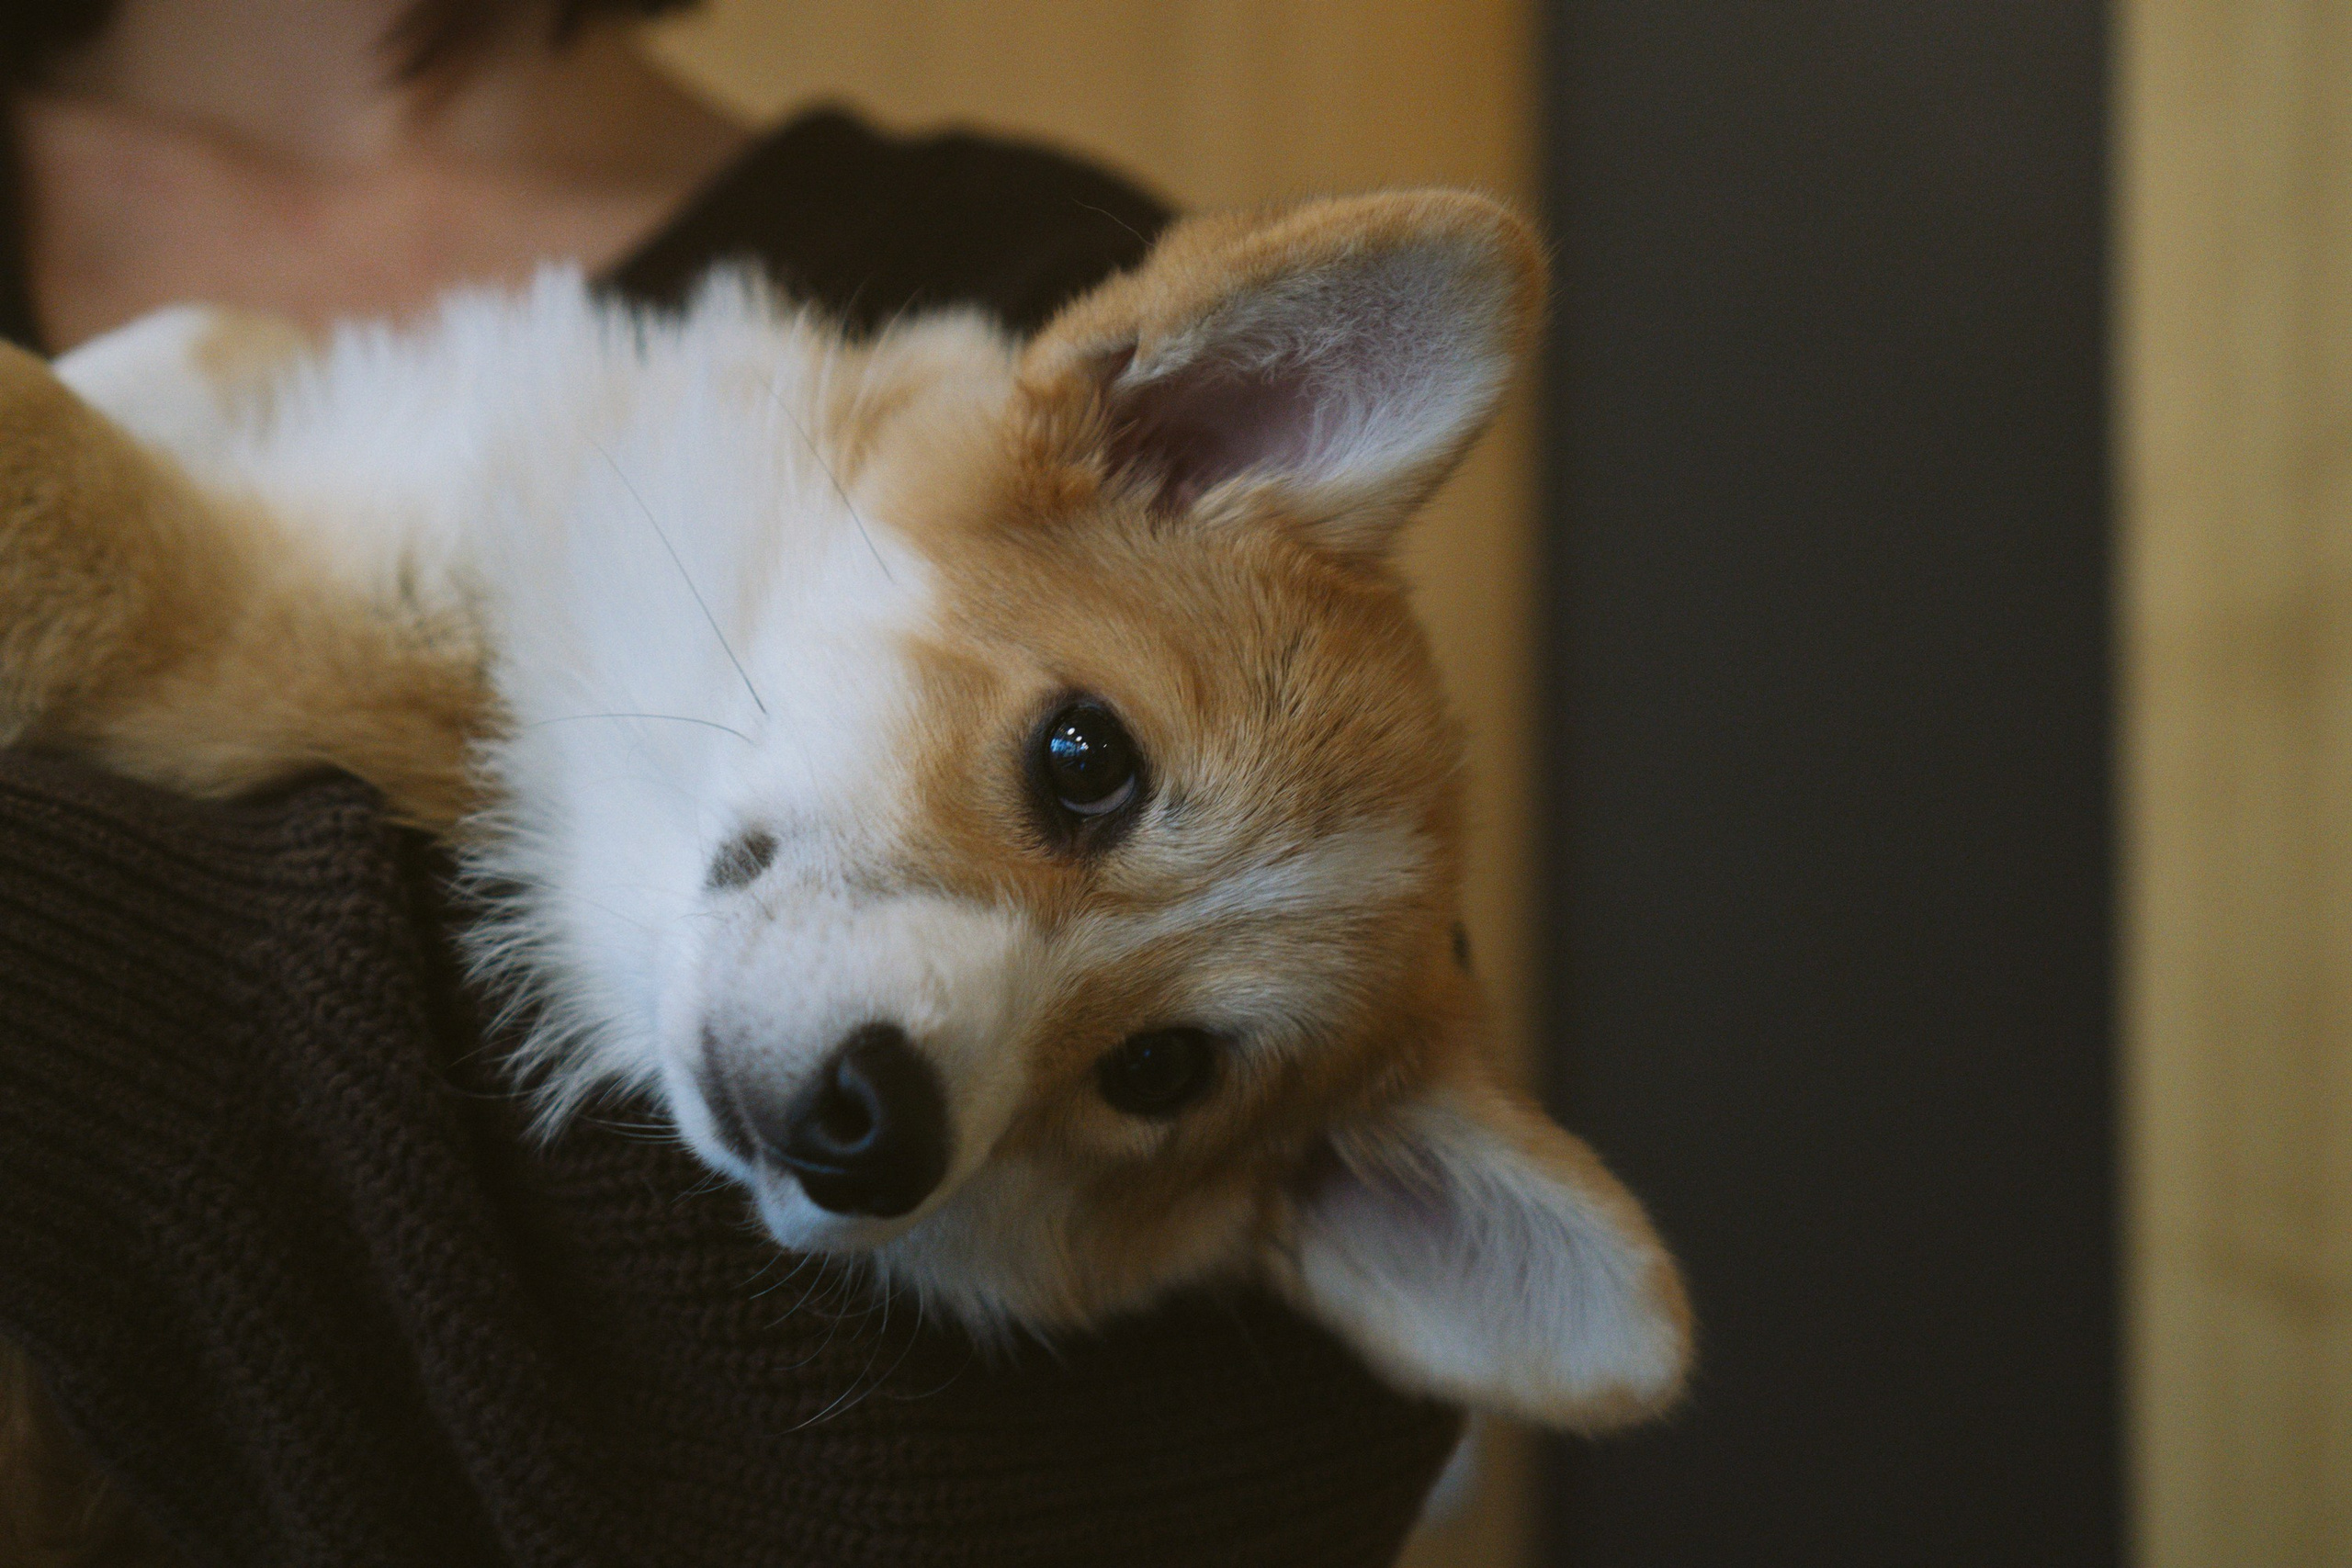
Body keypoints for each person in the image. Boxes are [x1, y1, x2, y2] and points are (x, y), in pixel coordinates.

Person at [0, 4, 1462, 1564]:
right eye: (1075, 765)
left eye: (1156, 1068)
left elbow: (1230, 1481)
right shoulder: (908, 482)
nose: (935, 1084)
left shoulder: (1003, 266)